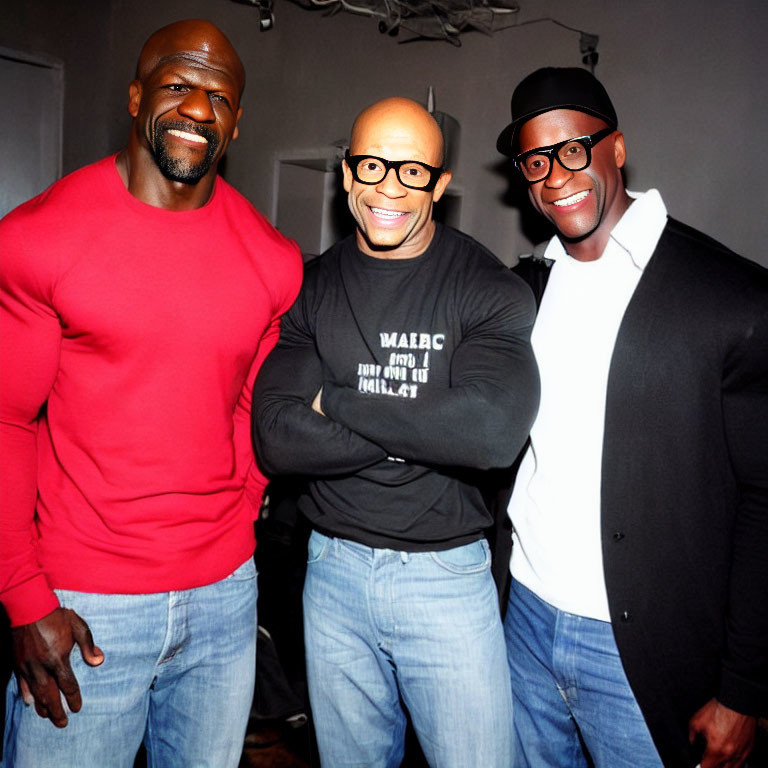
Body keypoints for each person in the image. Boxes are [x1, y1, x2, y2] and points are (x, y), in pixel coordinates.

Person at [0, 19, 302, 768]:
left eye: (220, 96)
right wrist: (24, 597)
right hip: (85, 603)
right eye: (178, 85)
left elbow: (248, 409)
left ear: (237, 120)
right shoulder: (41, 239)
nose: (199, 108)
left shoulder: (272, 259)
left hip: (226, 598)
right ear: (136, 97)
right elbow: (8, 420)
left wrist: (237, 514)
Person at [252, 96, 539, 767]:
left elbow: (491, 435)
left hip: (446, 579)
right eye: (373, 166)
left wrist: (337, 400)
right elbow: (277, 437)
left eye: (413, 172)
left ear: (438, 185)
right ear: (346, 174)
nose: (389, 187)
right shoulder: (309, 286)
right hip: (332, 574)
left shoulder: (487, 288)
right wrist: (430, 422)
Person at [495, 66, 768, 768]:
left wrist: (743, 688)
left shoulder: (730, 297)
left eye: (574, 148)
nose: (557, 176)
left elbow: (764, 503)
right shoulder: (522, 292)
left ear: (617, 147)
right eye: (535, 159)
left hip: (643, 655)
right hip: (522, 619)